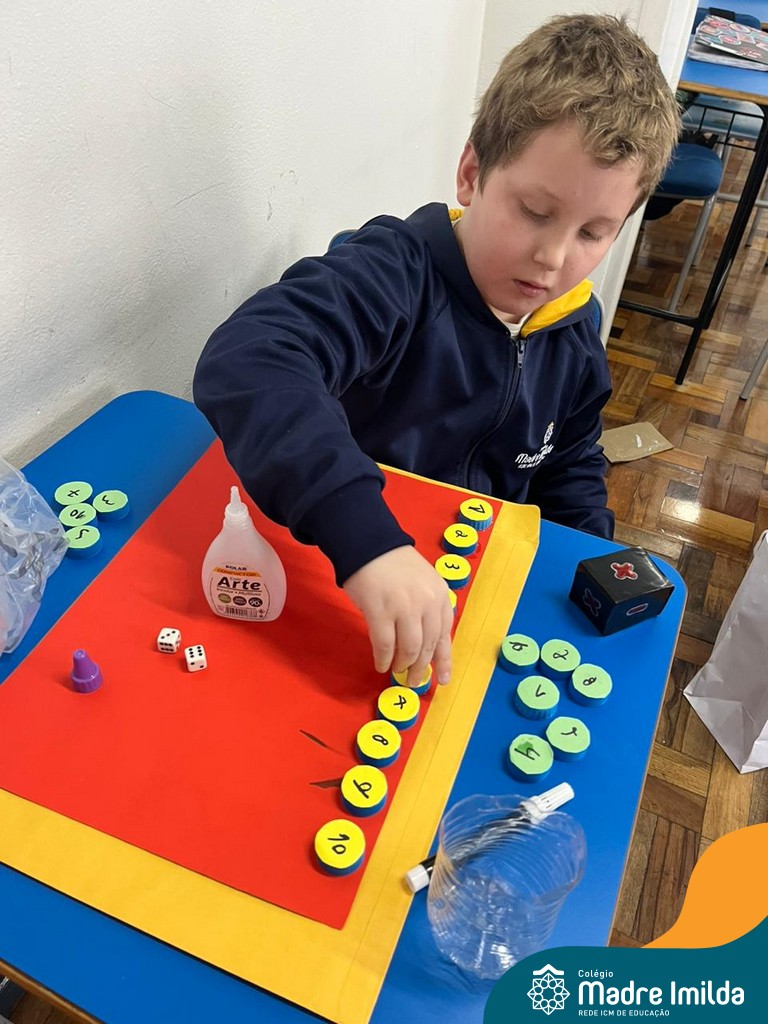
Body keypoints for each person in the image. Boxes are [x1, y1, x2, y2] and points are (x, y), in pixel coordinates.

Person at [193, 13, 680, 690]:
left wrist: (588, 560)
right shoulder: (393, 274)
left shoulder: (575, 327)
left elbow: (569, 461)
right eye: (535, 212)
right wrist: (367, 542)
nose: (553, 257)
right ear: (472, 172)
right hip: (350, 566)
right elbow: (249, 358)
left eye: (593, 233)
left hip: (478, 591)